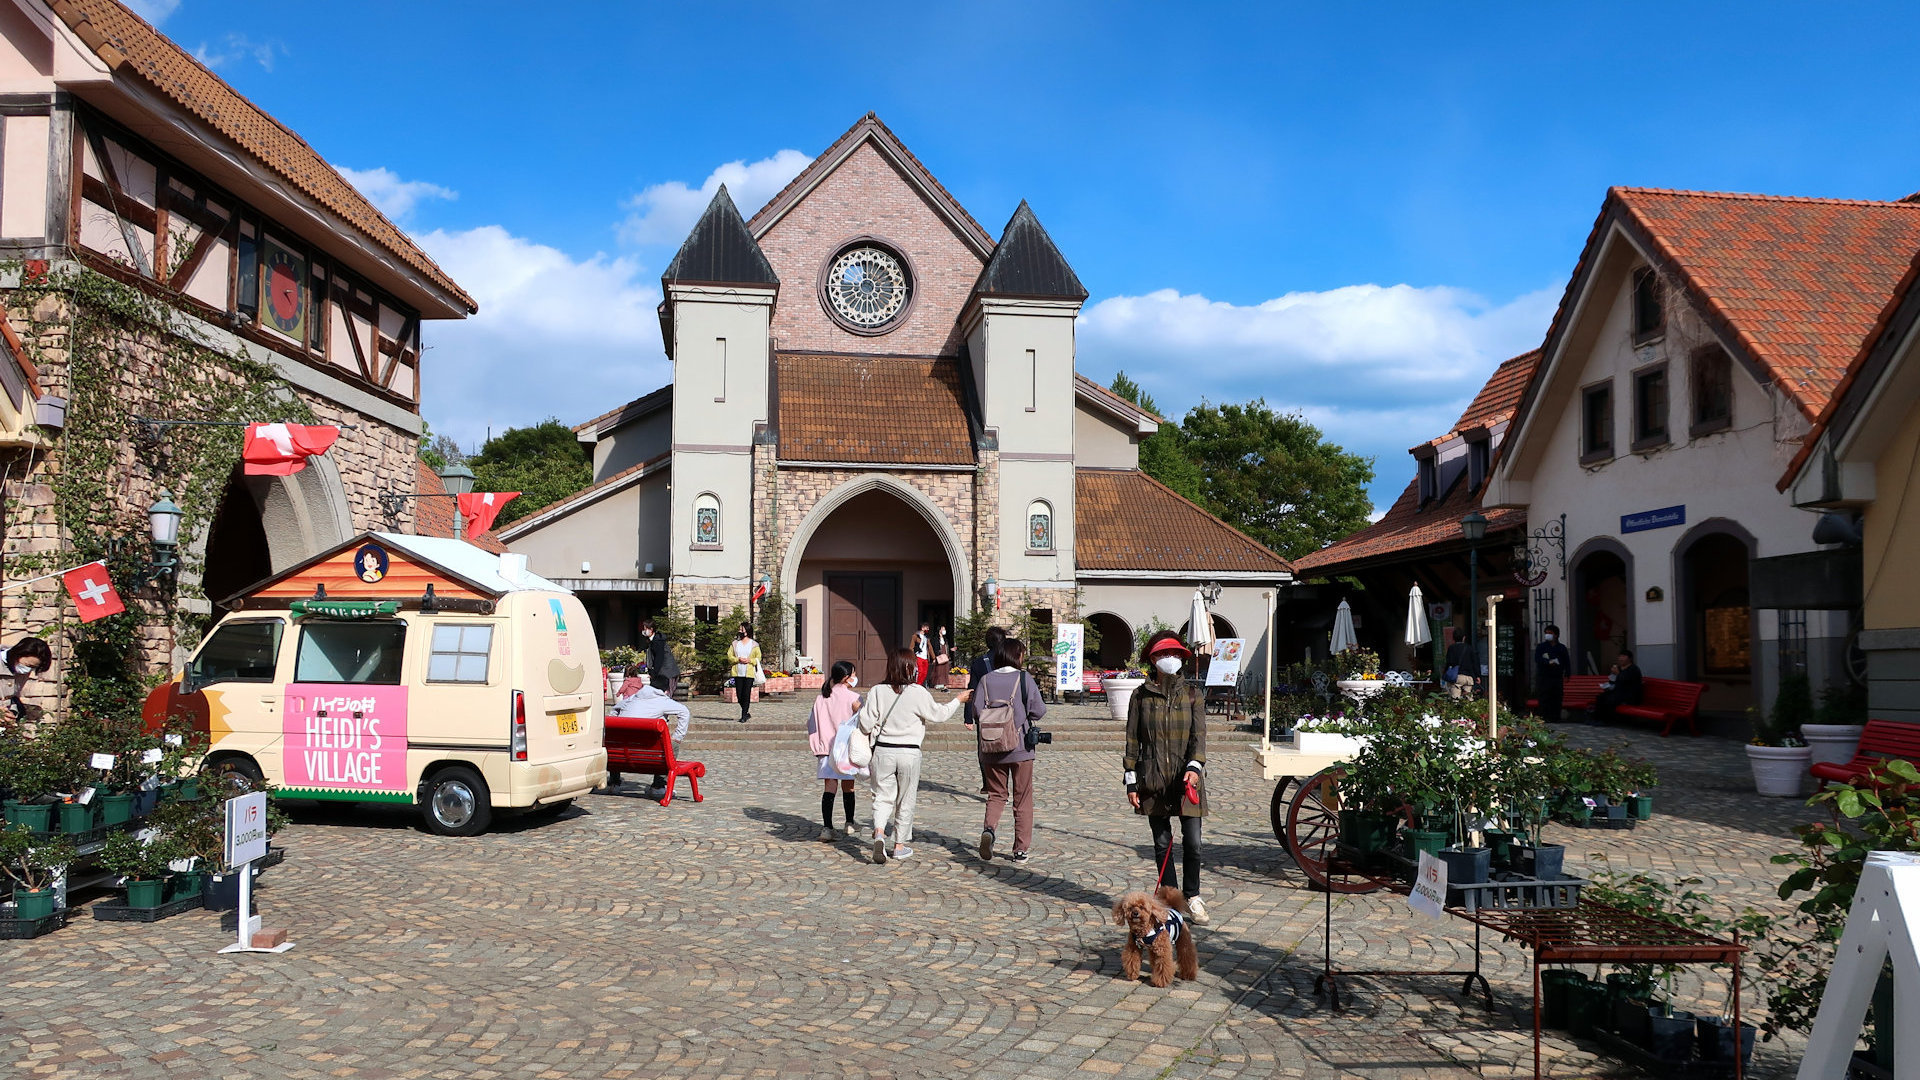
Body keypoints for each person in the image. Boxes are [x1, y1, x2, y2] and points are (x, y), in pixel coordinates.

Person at [1125, 631, 1210, 925]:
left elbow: (1198, 737)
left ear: (1182, 658)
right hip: (1153, 777)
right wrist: (1131, 780)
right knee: (1162, 844)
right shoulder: (1140, 695)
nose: (1169, 659)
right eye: (1162, 654)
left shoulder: (1192, 694)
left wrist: (1194, 766)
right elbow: (1132, 740)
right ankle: (1171, 900)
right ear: (1152, 659)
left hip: (1187, 779)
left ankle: (1193, 895)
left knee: (1194, 842)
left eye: (1174, 654)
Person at [856, 648, 970, 864]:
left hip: (883, 751)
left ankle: (879, 833)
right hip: (909, 752)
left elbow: (865, 724)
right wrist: (958, 700)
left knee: (881, 796)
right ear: (910, 668)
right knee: (905, 799)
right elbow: (939, 714)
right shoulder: (918, 692)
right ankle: (899, 846)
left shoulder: (878, 691)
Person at [974, 637, 1044, 863]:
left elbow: (976, 711)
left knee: (996, 795)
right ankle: (1020, 850)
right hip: (1020, 747)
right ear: (1017, 655)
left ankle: (989, 830)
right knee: (1022, 798)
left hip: (991, 746)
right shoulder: (1024, 678)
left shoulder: (985, 680)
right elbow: (1039, 710)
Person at [807, 660, 863, 840]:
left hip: (826, 748)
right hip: (845, 748)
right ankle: (849, 822)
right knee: (849, 786)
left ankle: (827, 827)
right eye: (853, 674)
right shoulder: (853, 698)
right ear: (846, 677)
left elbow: (811, 723)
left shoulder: (821, 697)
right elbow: (863, 721)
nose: (855, 677)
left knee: (829, 788)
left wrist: (817, 745)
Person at [609, 675, 691, 795]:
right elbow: (685, 712)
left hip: (622, 756)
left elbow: (613, 711)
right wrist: (677, 737)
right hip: (649, 755)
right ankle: (658, 786)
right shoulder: (663, 701)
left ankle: (614, 783)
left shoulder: (632, 699)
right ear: (667, 690)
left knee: (616, 739)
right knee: (672, 744)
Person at [1588, 649, 1644, 726]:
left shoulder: (1633, 669)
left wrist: (1617, 673)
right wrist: (1611, 678)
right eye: (1620, 656)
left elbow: (1625, 680)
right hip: (1619, 692)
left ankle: (1606, 721)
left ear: (1630, 659)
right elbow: (1613, 681)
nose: (1620, 658)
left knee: (1610, 699)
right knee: (1601, 697)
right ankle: (1596, 719)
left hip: (1630, 695)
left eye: (1623, 656)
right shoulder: (1619, 668)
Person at [0, 637, 50, 721]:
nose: (28, 670)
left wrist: (13, 712)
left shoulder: (20, 671)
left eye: (33, 667)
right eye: (28, 665)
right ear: (17, 655)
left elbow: (12, 696)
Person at [1532, 624, 1572, 722]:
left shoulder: (1561, 648)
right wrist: (1548, 662)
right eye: (1546, 633)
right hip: (1544, 676)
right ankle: (1544, 717)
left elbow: (1567, 662)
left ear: (1556, 635)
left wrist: (1567, 674)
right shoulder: (1541, 647)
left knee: (1557, 697)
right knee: (1544, 697)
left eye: (1550, 633)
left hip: (1556, 676)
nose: (1547, 635)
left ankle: (1555, 717)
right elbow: (1537, 659)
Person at [639, 618, 679, 700]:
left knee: (664, 695)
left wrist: (654, 673)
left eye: (645, 629)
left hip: (667, 673)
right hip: (662, 672)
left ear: (651, 629)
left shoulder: (658, 641)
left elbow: (659, 658)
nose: (644, 631)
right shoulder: (652, 640)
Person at [729, 622, 761, 724]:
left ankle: (743, 715)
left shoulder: (754, 645)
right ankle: (746, 712)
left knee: (746, 694)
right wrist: (737, 659)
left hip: (749, 673)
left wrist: (749, 660)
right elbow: (729, 656)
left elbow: (758, 658)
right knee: (739, 696)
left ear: (746, 632)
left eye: (741, 629)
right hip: (737, 672)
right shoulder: (735, 644)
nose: (739, 631)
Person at [1443, 623, 1484, 701]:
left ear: (1453, 638)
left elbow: (1449, 662)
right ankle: (1469, 710)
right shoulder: (1470, 648)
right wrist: (1478, 676)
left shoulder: (1451, 648)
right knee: (1468, 697)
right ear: (1464, 638)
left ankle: (1456, 711)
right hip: (1469, 677)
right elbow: (1475, 662)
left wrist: (1445, 673)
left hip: (1457, 677)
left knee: (1455, 698)